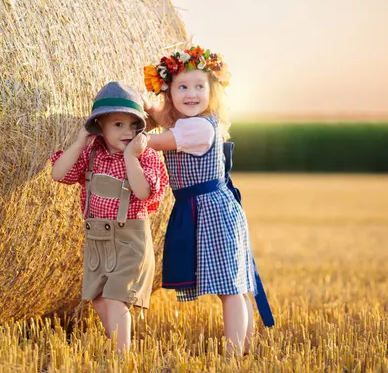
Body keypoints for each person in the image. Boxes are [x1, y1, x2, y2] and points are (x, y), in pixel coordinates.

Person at [143, 46, 274, 356]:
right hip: (213, 207)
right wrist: (148, 107)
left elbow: (153, 142)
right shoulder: (196, 121)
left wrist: (123, 132)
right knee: (235, 287)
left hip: (211, 211)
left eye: (199, 87)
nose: (191, 93)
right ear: (170, 92)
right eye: (182, 87)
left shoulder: (197, 127)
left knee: (230, 290)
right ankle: (244, 348)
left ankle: (231, 355)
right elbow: (164, 118)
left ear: (212, 91)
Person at [50, 81, 168, 353]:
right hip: (97, 241)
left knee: (116, 300)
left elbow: (143, 191)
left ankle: (120, 358)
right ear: (100, 126)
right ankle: (120, 346)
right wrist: (80, 142)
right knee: (100, 300)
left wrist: (131, 157)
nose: (127, 132)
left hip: (130, 242)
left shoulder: (145, 157)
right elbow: (58, 174)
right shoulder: (91, 154)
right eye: (118, 124)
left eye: (134, 125)